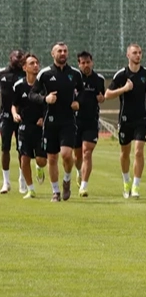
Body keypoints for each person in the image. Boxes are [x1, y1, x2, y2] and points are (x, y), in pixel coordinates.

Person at [29, 42, 84, 202]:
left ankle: (67, 180)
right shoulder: (45, 74)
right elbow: (33, 94)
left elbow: (82, 92)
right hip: (50, 121)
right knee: (52, 158)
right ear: (53, 54)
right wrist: (45, 99)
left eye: (65, 51)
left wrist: (78, 102)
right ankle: (55, 192)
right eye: (59, 51)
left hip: (68, 121)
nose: (63, 53)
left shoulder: (75, 73)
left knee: (66, 155)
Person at [105, 43, 146, 199]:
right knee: (124, 153)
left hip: (142, 118)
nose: (138, 55)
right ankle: (126, 181)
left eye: (140, 52)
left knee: (138, 151)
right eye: (134, 53)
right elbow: (107, 94)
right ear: (128, 55)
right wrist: (124, 89)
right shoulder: (121, 75)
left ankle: (136, 186)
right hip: (125, 119)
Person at [11, 53, 47, 198]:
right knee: (24, 159)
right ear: (25, 67)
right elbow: (14, 105)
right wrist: (15, 114)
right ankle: (31, 189)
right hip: (24, 127)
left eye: (37, 63)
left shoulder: (44, 85)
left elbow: (49, 105)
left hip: (40, 128)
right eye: (32, 63)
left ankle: (39, 167)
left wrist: (43, 118)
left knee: (41, 160)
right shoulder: (19, 86)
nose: (35, 66)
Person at [73, 51, 105, 197]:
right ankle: (79, 172)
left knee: (87, 152)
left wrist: (101, 98)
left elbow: (102, 96)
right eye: (83, 63)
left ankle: (84, 186)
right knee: (77, 156)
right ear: (79, 64)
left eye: (88, 62)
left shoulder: (99, 79)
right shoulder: (74, 78)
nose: (86, 65)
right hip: (75, 121)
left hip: (91, 121)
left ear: (92, 62)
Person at [0, 49, 25, 194]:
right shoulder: (2, 73)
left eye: (21, 57)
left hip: (22, 116)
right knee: (5, 148)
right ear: (11, 57)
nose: (18, 59)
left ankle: (22, 180)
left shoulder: (25, 74)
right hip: (6, 116)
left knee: (22, 149)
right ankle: (6, 182)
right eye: (17, 56)